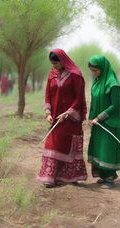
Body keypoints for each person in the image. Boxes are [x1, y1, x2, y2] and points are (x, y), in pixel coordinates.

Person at [37, 49, 87, 188]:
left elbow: (78, 98)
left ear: (63, 61)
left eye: (56, 63)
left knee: (68, 145)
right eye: (52, 64)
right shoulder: (52, 74)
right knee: (53, 144)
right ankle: (50, 177)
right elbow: (47, 93)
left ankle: (71, 176)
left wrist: (67, 113)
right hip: (55, 117)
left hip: (71, 118)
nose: (54, 66)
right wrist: (48, 112)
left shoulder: (75, 75)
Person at [88, 55, 120, 188]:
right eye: (92, 71)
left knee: (107, 149)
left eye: (96, 71)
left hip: (108, 123)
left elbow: (115, 106)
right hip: (97, 124)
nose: (94, 73)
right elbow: (93, 101)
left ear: (103, 68)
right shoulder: (97, 82)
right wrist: (91, 118)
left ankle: (110, 178)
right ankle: (103, 176)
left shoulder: (112, 83)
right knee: (98, 149)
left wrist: (99, 117)